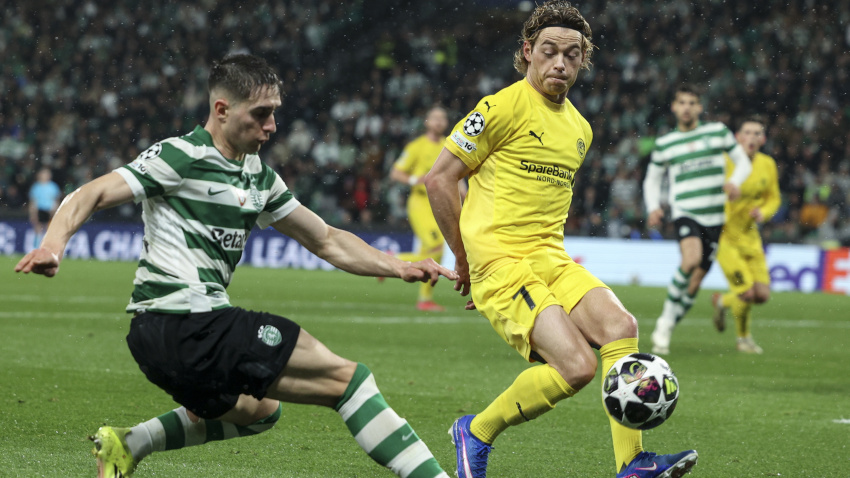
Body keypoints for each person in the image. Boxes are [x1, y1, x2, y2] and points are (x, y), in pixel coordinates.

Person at [15, 54, 454, 478]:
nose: (271, 126)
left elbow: (326, 239)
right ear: (221, 110)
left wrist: (398, 266)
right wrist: (53, 244)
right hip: (187, 321)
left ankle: (130, 444)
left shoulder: (259, 177)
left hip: (159, 343)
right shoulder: (180, 156)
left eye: (275, 113)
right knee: (351, 383)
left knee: (260, 412)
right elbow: (89, 193)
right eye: (261, 113)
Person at [424, 2, 697, 477]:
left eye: (572, 55)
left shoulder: (579, 129)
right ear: (528, 52)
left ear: (582, 61)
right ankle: (475, 432)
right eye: (549, 52)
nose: (560, 64)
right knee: (576, 368)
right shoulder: (499, 107)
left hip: (549, 256)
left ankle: (631, 464)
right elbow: (439, 180)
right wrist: (466, 259)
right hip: (500, 261)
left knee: (620, 326)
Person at [643, 84, 752, 355]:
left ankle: (670, 325)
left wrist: (735, 182)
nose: (687, 107)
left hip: (715, 218)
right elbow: (652, 179)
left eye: (692, 102)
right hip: (686, 212)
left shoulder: (717, 132)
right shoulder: (665, 143)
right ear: (674, 107)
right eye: (682, 102)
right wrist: (653, 207)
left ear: (700, 107)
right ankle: (664, 324)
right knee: (690, 260)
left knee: (694, 283)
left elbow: (744, 162)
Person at [711, 116, 780, 353]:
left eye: (757, 133)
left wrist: (764, 212)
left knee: (762, 294)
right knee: (747, 292)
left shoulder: (767, 164)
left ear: (763, 139)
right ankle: (743, 339)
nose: (752, 137)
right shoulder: (724, 161)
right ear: (738, 137)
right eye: (747, 132)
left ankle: (722, 302)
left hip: (751, 237)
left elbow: (774, 198)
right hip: (725, 237)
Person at [389, 105, 459, 312]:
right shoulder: (416, 146)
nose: (438, 121)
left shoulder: (450, 145)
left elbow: (456, 175)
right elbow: (396, 173)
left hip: (440, 204)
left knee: (429, 251)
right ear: (427, 122)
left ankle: (422, 297)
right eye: (434, 118)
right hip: (420, 203)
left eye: (442, 118)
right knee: (436, 246)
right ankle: (391, 263)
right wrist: (414, 179)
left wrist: (464, 196)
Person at [28, 167, 61, 249]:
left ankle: (48, 248)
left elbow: (56, 200)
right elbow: (33, 202)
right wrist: (33, 214)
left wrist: (56, 212)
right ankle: (35, 248)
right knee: (38, 229)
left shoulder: (53, 186)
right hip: (40, 209)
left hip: (50, 210)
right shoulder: (36, 187)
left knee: (49, 230)